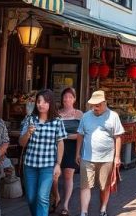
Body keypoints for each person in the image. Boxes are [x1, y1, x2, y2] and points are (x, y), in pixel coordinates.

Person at [75, 90, 124, 216]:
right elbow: (80, 134)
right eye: (93, 105)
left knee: (104, 186)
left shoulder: (113, 116)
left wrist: (117, 157)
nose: (95, 108)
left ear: (104, 103)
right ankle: (83, 212)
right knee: (85, 186)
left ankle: (103, 209)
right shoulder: (86, 116)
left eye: (97, 105)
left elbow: (118, 137)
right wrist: (77, 153)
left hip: (107, 158)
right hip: (87, 157)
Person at [19, 90, 66, 216]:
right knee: (31, 197)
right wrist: (28, 133)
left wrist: (58, 164)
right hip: (30, 165)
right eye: (39, 101)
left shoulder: (57, 121)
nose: (41, 104)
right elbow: (21, 143)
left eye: (45, 102)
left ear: (51, 103)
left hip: (48, 165)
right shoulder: (30, 119)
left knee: (42, 197)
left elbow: (60, 143)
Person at [55, 88, 83, 216]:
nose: (67, 99)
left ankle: (65, 204)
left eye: (70, 97)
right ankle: (56, 196)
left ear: (74, 99)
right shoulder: (56, 113)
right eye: (65, 97)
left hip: (72, 148)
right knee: (53, 176)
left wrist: (65, 136)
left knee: (68, 176)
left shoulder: (79, 114)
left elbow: (81, 134)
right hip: (55, 148)